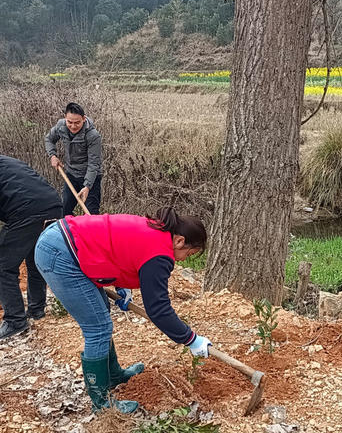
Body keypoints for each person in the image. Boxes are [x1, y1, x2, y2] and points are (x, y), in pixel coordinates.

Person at [34, 207, 211, 413]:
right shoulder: (160, 251)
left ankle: (114, 375)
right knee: (98, 328)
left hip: (63, 241)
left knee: (101, 314)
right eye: (188, 254)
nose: (183, 260)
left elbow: (119, 248)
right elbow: (158, 309)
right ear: (179, 241)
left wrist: (122, 284)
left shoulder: (155, 230)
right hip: (62, 254)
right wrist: (190, 339)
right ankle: (102, 404)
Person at [0, 155, 62, 340]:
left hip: (27, 211)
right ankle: (36, 310)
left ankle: (15, 320)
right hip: (53, 205)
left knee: (3, 266)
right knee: (36, 259)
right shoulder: (6, 160)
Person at [45, 102, 102, 215]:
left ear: (84, 119)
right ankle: (73, 230)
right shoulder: (61, 126)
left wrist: (87, 186)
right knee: (64, 210)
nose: (73, 126)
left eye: (77, 123)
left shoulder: (93, 136)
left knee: (91, 215)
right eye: (70, 122)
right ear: (65, 118)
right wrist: (52, 155)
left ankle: (90, 231)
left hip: (90, 178)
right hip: (70, 174)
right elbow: (49, 139)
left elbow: (93, 163)